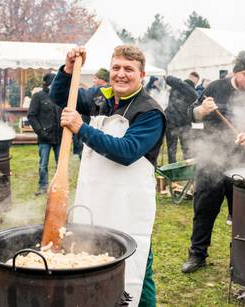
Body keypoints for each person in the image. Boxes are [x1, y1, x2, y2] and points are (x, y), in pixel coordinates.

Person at [50, 45, 166, 307]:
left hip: (128, 205)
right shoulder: (101, 97)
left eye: (129, 69)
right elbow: (60, 95)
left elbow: (127, 151)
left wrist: (81, 127)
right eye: (116, 68)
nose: (121, 74)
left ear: (142, 75)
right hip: (95, 198)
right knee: (93, 262)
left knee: (137, 268)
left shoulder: (150, 112)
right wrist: (68, 70)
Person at [181, 50, 245, 273]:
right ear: (235, 72)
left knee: (244, 214)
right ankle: (197, 254)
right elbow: (190, 114)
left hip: (244, 164)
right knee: (204, 210)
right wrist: (201, 110)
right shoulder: (215, 87)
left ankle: (241, 257)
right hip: (211, 160)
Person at [27, 73, 62, 195]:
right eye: (53, 82)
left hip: (59, 137)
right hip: (44, 138)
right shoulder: (38, 96)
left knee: (61, 164)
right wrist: (41, 132)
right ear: (46, 84)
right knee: (43, 165)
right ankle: (43, 187)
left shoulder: (60, 96)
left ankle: (60, 186)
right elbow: (31, 115)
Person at [164, 72, 199, 163]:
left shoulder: (176, 85)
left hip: (171, 121)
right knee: (186, 148)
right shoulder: (193, 93)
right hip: (183, 123)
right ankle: (186, 170)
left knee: (172, 148)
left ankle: (172, 170)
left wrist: (167, 77)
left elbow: (169, 78)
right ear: (195, 82)